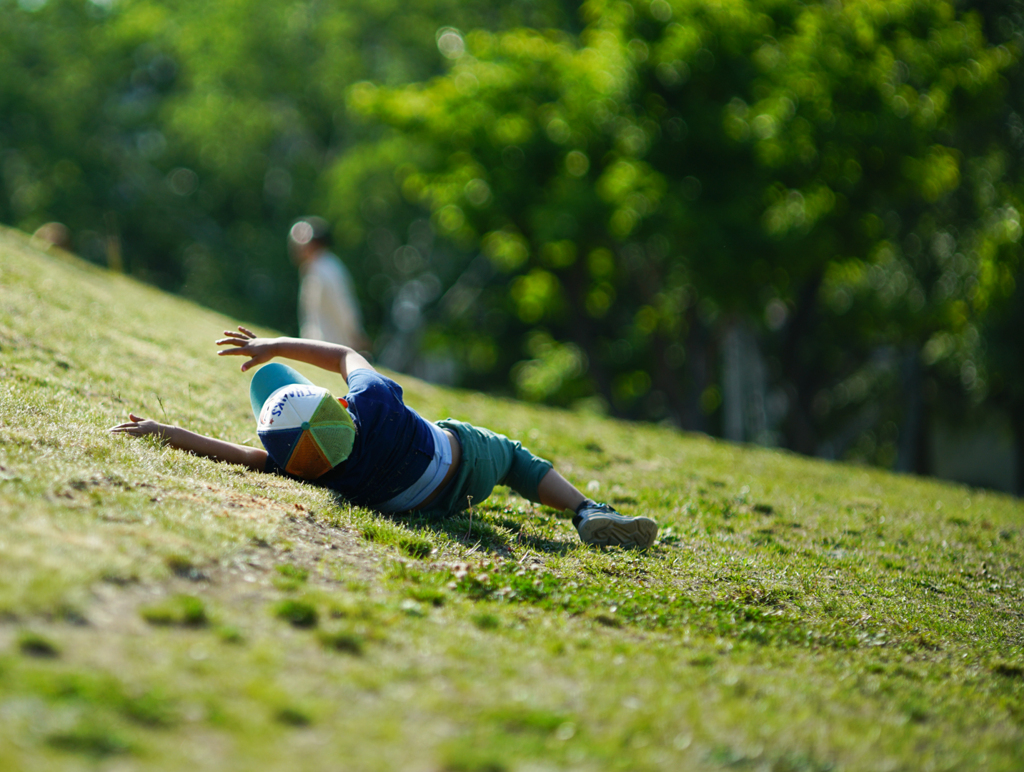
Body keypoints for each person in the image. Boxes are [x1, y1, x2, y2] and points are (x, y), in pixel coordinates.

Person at [109, 327, 659, 549]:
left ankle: (582, 512)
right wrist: (273, 347)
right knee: (514, 455)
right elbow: (345, 356)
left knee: (441, 474)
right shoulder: (371, 402)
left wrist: (165, 431)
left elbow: (242, 455)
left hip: (432, 509)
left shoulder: (306, 467)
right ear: (335, 406)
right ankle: (586, 510)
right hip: (465, 461)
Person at [289, 216, 370, 351]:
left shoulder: (326, 268)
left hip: (333, 345)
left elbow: (343, 305)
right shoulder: (313, 267)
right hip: (319, 345)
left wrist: (355, 334)